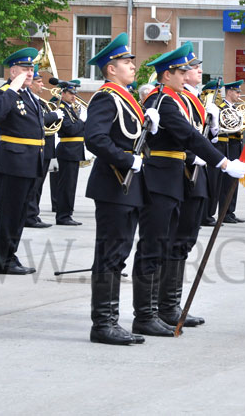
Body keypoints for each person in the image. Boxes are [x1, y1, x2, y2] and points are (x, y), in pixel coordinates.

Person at [133, 42, 245, 337]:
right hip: (160, 177)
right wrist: (223, 162)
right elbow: (187, 136)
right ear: (167, 74)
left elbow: (194, 134)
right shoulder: (161, 100)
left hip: (178, 177)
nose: (187, 75)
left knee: (176, 244)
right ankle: (145, 314)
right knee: (153, 246)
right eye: (181, 72)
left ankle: (167, 307)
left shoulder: (180, 99)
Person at [85, 32, 151, 345]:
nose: (132, 66)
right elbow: (95, 139)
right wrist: (127, 160)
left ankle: (110, 320)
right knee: (110, 255)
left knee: (119, 254)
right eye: (126, 62)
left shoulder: (126, 98)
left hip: (127, 187)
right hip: (113, 183)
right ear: (111, 69)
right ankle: (103, 324)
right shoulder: (106, 97)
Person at [159, 45, 219, 328]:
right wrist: (212, 159)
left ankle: (172, 304)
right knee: (173, 241)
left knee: (185, 241)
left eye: (191, 69)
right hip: (181, 173)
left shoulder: (190, 99)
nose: (192, 72)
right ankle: (166, 307)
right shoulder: (168, 99)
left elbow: (198, 133)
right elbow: (183, 136)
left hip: (195, 175)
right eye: (187, 69)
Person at [0, 48, 44, 275]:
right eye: (24, 69)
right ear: (13, 72)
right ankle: (3, 260)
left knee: (20, 214)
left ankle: (10, 255)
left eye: (31, 69)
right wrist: (12, 88)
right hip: (14, 161)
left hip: (30, 161)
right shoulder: (5, 93)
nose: (30, 73)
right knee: (9, 213)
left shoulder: (29, 94)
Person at [25, 68, 62, 228]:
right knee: (34, 185)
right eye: (39, 82)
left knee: (39, 185)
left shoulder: (41, 102)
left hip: (45, 147)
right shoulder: (31, 101)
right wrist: (55, 115)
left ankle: (34, 213)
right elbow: (38, 120)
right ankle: (30, 215)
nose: (42, 84)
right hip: (36, 146)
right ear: (31, 84)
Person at [55, 81, 86, 226]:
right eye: (70, 93)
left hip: (73, 150)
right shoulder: (61, 109)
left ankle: (67, 214)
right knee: (66, 186)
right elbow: (71, 129)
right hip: (68, 150)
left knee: (70, 185)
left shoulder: (70, 109)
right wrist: (82, 121)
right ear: (63, 94)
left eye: (75, 94)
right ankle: (63, 216)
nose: (74, 96)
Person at [219, 80, 245, 224]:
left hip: (237, 147)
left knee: (234, 181)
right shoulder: (222, 108)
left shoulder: (235, 109)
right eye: (237, 91)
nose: (239, 94)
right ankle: (224, 213)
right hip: (229, 146)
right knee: (227, 182)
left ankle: (231, 211)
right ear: (229, 92)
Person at [200, 79, 224, 227]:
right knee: (208, 183)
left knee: (215, 184)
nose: (219, 95)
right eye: (216, 92)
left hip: (218, 147)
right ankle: (204, 215)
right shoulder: (203, 107)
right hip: (205, 148)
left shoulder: (218, 109)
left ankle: (209, 214)